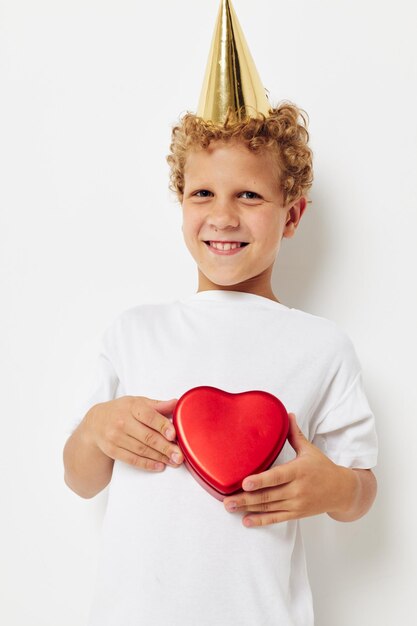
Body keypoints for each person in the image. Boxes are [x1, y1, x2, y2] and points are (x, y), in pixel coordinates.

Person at [63, 1, 378, 624]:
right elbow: (80, 478)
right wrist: (99, 427)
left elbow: (360, 488)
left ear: (291, 214)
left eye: (250, 196)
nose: (223, 216)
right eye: (202, 192)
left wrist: (335, 487)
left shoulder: (321, 346)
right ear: (180, 201)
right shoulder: (135, 331)